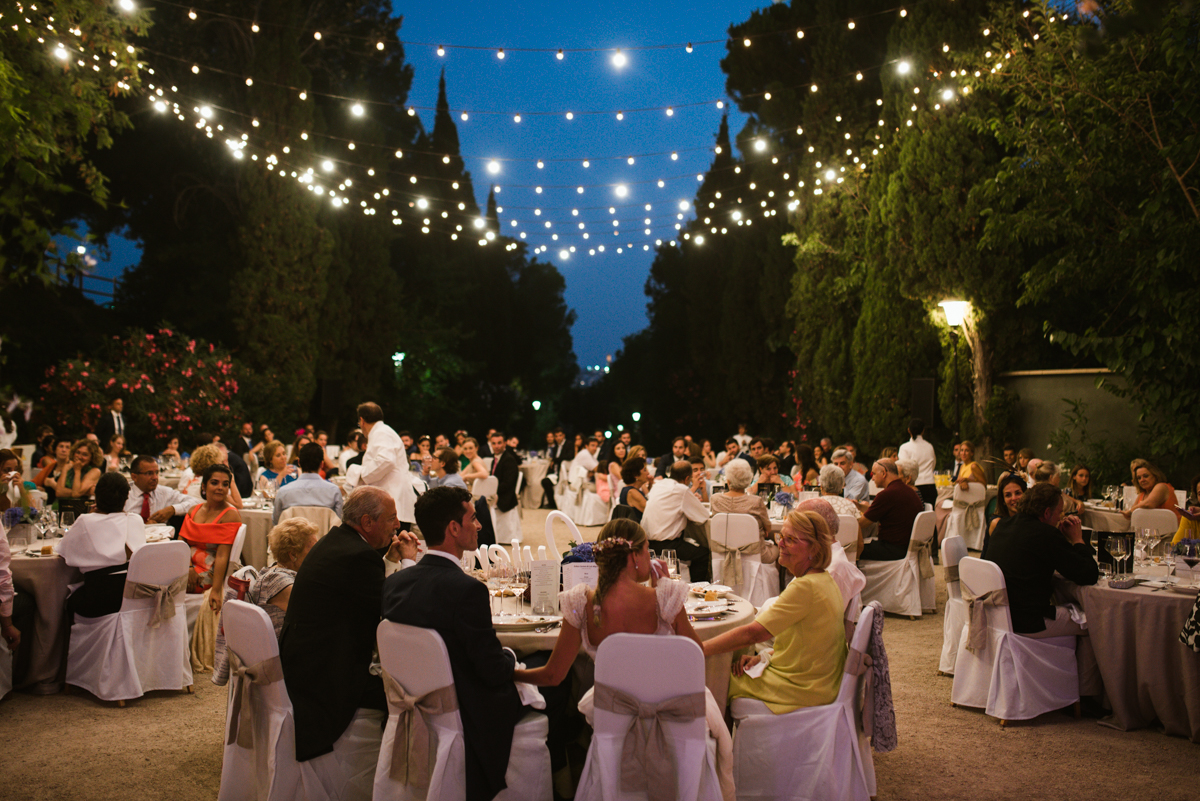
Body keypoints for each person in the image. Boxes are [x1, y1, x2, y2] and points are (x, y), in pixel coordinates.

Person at [382, 486, 533, 801]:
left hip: (412, 702)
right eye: (473, 518)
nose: (479, 526)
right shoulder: (465, 590)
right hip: (465, 710)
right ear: (453, 528)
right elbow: (492, 671)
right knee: (556, 691)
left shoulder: (395, 583)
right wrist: (511, 658)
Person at [280, 486, 414, 779]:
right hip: (325, 678)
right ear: (367, 522)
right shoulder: (358, 557)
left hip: (303, 662)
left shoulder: (338, 541)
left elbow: (366, 591)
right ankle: (396, 781)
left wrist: (389, 560)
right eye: (392, 518)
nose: (398, 525)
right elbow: (398, 611)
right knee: (415, 694)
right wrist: (409, 562)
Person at [702, 510, 848, 713]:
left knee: (719, 680)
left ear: (813, 549)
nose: (780, 543)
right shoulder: (823, 580)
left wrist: (700, 648)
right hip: (819, 679)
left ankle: (720, 744)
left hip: (803, 687)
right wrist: (764, 656)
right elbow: (809, 644)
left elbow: (752, 634)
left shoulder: (805, 587)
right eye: (781, 537)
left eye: (791, 540)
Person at [985, 482, 1099, 637]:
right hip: (1028, 621)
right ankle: (1070, 662)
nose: (1061, 517)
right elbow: (1089, 574)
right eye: (1059, 513)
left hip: (996, 615)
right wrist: (1077, 539)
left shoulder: (1003, 524)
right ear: (1047, 513)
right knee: (1091, 619)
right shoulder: (1045, 534)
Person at [56, 473, 146, 619]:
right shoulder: (136, 520)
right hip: (132, 597)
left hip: (97, 599)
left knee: (63, 602)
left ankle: (60, 641)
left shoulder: (86, 521)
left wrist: (91, 516)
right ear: (126, 498)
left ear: (96, 496)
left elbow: (62, 551)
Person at [179, 464, 242, 614]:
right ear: (203, 486)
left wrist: (216, 590)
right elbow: (181, 543)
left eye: (225, 484)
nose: (220, 487)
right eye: (214, 483)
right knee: (156, 580)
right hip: (186, 564)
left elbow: (222, 555)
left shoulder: (230, 515)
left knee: (170, 586)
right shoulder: (194, 510)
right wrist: (188, 568)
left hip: (210, 570)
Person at [247, 518, 321, 637]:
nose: (318, 553)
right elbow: (317, 615)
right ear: (293, 555)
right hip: (287, 651)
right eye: (312, 548)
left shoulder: (277, 571)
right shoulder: (278, 582)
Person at [640, 460, 712, 582]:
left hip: (647, 542)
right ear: (687, 478)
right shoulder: (681, 490)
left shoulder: (659, 485)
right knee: (703, 554)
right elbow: (703, 516)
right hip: (667, 545)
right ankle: (696, 588)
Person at [355, 402, 417, 531]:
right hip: (393, 501)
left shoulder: (381, 433)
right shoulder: (383, 431)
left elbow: (386, 460)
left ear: (362, 420)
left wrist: (363, 475)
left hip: (394, 501)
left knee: (389, 548)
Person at [857, 459, 924, 561]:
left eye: (874, 474)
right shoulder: (909, 490)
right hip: (909, 548)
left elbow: (861, 524)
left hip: (893, 550)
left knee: (850, 548)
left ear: (883, 473)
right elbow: (883, 512)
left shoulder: (887, 494)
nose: (872, 478)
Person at [711, 459, 775, 559]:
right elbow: (769, 528)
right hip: (754, 553)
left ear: (728, 480)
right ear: (749, 480)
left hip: (724, 553)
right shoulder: (756, 501)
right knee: (777, 549)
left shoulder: (715, 499)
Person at [272, 443, 344, 526]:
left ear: (299, 462)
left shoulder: (284, 492)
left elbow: (277, 524)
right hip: (325, 538)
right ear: (322, 464)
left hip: (292, 538)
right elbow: (339, 523)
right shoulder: (334, 491)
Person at [125, 454, 201, 523]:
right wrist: (144, 526)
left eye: (157, 472)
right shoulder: (124, 495)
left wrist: (172, 509)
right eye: (149, 473)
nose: (155, 477)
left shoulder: (164, 492)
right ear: (134, 477)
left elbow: (195, 503)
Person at [45, 439, 103, 515]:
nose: (79, 457)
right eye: (78, 452)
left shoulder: (94, 471)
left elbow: (75, 494)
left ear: (92, 457)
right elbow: (58, 492)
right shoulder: (69, 466)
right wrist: (65, 469)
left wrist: (77, 470)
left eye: (85, 454)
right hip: (58, 507)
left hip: (78, 510)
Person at [981, 474, 1026, 559]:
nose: (1014, 498)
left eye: (1018, 493)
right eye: (1008, 495)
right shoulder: (997, 523)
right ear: (1003, 501)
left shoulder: (1030, 521)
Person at [898, 417, 937, 506]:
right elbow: (933, 464)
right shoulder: (929, 446)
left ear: (908, 430)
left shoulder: (905, 447)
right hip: (930, 485)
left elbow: (903, 468)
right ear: (923, 431)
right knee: (929, 515)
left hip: (914, 486)